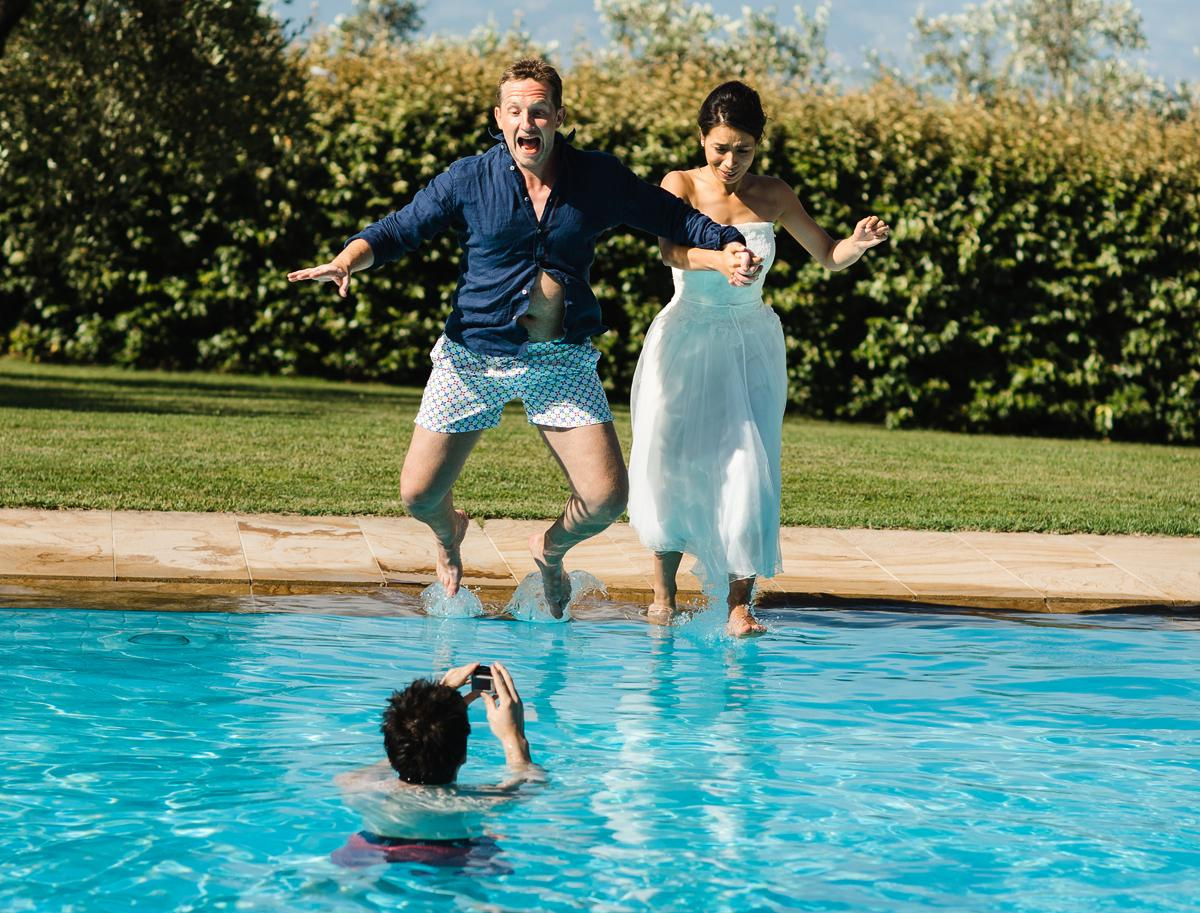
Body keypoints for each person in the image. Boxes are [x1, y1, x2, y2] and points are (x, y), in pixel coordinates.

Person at [288, 58, 754, 616]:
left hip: (559, 358)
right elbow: (399, 229)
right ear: (499, 117)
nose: (526, 122)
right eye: (515, 111)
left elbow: (672, 216)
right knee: (418, 495)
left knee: (606, 499)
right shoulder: (469, 178)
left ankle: (549, 549)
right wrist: (347, 260)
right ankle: (447, 532)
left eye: (538, 111)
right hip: (473, 353)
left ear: (558, 116)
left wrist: (726, 241)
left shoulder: (596, 178)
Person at [627, 81, 890, 637]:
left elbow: (826, 254)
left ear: (758, 145)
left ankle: (739, 604)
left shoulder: (773, 195)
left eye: (742, 149)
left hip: (750, 344)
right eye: (720, 147)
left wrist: (857, 243)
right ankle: (663, 594)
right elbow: (668, 249)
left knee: (748, 465)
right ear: (703, 138)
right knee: (671, 461)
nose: (729, 160)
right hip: (684, 337)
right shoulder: (679, 184)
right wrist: (717, 262)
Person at [332, 660, 539, 867]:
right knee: (494, 846)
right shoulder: (473, 800)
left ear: (392, 745)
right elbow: (531, 781)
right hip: (450, 855)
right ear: (464, 755)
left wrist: (439, 702)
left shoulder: (359, 787)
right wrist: (513, 735)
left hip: (370, 849)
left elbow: (406, 745)